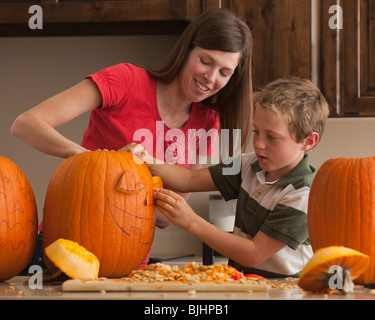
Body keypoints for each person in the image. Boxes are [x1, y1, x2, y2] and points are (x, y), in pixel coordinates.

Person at [11, 9, 253, 270]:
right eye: (206, 61)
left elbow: (162, 218)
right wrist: (94, 162)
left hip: (128, 265)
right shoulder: (125, 80)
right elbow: (26, 124)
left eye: (224, 72)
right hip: (63, 255)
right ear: (187, 50)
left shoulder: (208, 121)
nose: (211, 77)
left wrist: (144, 174)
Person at [125, 77, 330, 278]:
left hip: (286, 293)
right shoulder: (247, 164)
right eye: (256, 132)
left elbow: (253, 253)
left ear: (308, 141)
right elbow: (188, 179)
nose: (258, 143)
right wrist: (146, 158)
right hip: (243, 285)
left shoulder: (304, 195)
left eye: (272, 137)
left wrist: (191, 221)